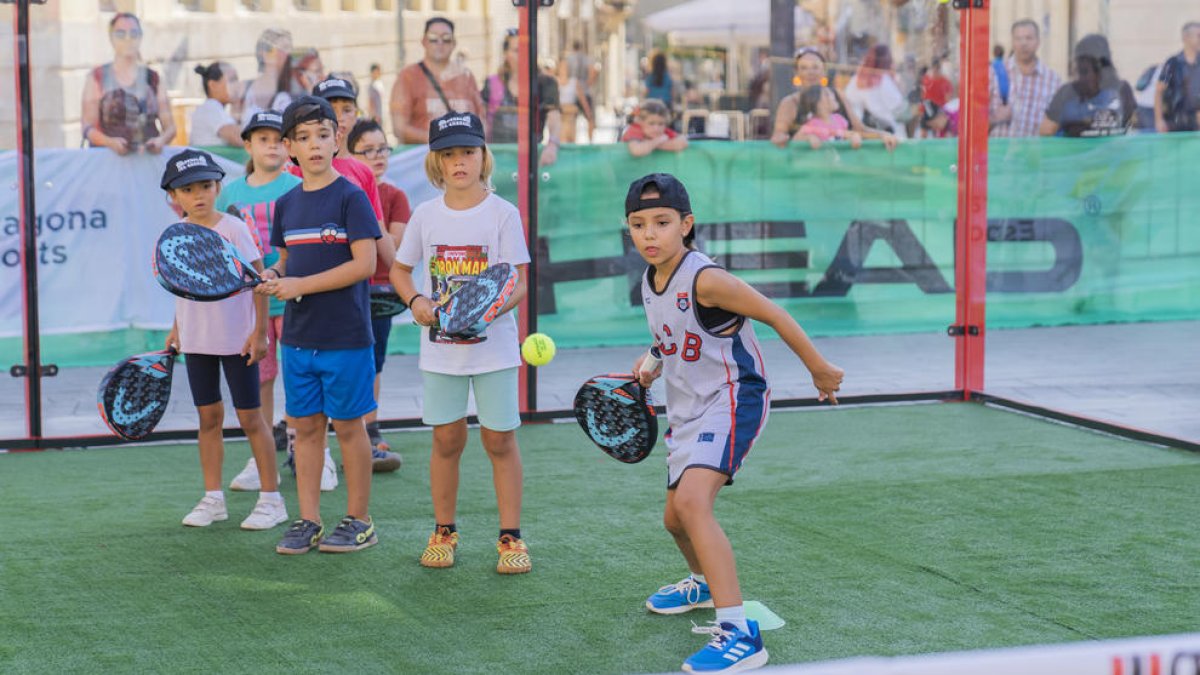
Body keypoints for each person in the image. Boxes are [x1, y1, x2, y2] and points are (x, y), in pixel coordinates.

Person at [624, 172, 843, 673]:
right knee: (674, 519)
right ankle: (701, 582)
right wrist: (654, 360)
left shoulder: (707, 278)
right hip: (687, 407)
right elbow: (670, 331)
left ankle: (740, 634)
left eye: (662, 222)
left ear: (687, 224)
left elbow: (775, 313)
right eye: (638, 224)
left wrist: (818, 368)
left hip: (733, 398)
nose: (650, 234)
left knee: (693, 502)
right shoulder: (650, 279)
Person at [389, 111, 533, 574]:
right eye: (448, 154)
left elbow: (519, 283)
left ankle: (510, 538)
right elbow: (398, 268)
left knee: (499, 441)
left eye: (468, 152)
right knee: (447, 440)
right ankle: (443, 532)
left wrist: (482, 311)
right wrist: (415, 301)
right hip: (440, 353)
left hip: (494, 352)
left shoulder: (503, 214)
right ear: (435, 162)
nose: (459, 162)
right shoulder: (426, 216)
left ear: (483, 155)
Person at [258, 96, 382, 555]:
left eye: (323, 135)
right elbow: (284, 262)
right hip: (297, 341)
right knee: (305, 430)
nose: (314, 146)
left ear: (337, 140)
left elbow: (365, 263)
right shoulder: (286, 205)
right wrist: (273, 276)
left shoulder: (351, 196)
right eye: (303, 138)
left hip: (346, 337)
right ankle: (307, 519)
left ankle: (359, 521)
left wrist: (299, 284)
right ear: (289, 147)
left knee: (350, 428)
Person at [160, 149, 286, 532]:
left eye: (205, 186)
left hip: (237, 340)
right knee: (208, 417)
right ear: (174, 197)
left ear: (217, 187)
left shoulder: (234, 228)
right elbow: (183, 286)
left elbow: (260, 281)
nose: (198, 195)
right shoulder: (176, 235)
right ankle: (213, 498)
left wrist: (259, 332)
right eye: (187, 190)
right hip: (196, 341)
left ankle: (271, 499)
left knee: (251, 418)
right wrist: (177, 327)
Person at [214, 112, 338, 494]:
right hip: (251, 304)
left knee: (307, 375)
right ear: (247, 145)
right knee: (261, 379)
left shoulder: (298, 186)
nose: (270, 146)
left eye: (276, 139)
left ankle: (319, 452)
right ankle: (261, 457)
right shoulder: (230, 193)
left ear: (288, 147)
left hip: (297, 298)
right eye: (261, 139)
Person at [305, 75, 401, 472]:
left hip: (354, 299)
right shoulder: (297, 174)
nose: (340, 118)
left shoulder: (361, 175)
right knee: (309, 376)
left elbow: (376, 233)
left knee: (357, 373)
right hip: (308, 300)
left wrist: (408, 284)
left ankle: (357, 447)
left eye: (346, 110)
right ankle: (307, 449)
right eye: (331, 110)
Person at [348, 118, 411, 468]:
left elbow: (394, 243)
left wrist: (368, 207)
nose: (377, 156)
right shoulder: (342, 191)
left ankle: (370, 429)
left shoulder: (395, 196)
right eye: (368, 150)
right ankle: (342, 432)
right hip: (345, 291)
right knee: (347, 361)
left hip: (382, 295)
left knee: (374, 362)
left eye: (382, 148)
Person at [81, 12, 175, 155]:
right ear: (111, 38)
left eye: (134, 33)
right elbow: (87, 127)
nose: (128, 39)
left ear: (140, 37)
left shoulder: (153, 78)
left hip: (147, 160)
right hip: (107, 161)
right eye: (120, 34)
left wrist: (161, 141)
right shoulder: (97, 77)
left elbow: (170, 127)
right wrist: (109, 142)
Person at [772, 47, 897, 150]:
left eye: (815, 67)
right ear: (797, 73)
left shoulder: (837, 95)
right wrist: (798, 139)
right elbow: (779, 135)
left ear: (824, 70)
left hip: (839, 167)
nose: (810, 72)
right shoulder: (790, 103)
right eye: (803, 68)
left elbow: (859, 129)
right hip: (805, 171)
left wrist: (884, 136)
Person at [389, 17, 485, 145]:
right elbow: (399, 128)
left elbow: (482, 120)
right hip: (424, 158)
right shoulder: (408, 76)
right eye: (433, 38)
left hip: (463, 156)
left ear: (454, 43)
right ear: (424, 41)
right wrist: (441, 140)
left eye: (446, 39)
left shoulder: (466, 77)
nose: (440, 43)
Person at [481, 29, 562, 165]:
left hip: (531, 161)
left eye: (528, 49)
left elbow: (554, 118)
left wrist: (552, 145)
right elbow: (481, 119)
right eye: (517, 50)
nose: (524, 55)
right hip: (497, 159)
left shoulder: (546, 83)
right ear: (506, 54)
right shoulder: (492, 83)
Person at [1040, 34, 1135, 138]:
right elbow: (1046, 132)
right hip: (1076, 153)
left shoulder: (1122, 90)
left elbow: (1132, 128)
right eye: (1084, 71)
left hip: (1112, 153)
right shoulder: (1067, 94)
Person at [989, 19, 1062, 138]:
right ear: (1012, 42)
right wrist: (995, 119)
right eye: (1018, 38)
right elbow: (972, 122)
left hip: (1034, 155)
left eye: (1029, 38)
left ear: (1038, 42)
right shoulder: (994, 74)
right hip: (998, 155)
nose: (1023, 43)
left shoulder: (1053, 81)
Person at [842, 44, 908, 138]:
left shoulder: (857, 79)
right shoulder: (884, 80)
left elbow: (848, 99)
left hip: (863, 131)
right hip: (887, 132)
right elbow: (897, 106)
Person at [241, 28, 294, 126]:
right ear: (264, 53)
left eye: (289, 49)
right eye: (282, 48)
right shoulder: (245, 89)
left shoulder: (293, 89)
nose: (288, 54)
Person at [1154, 21, 1200, 133]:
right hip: (1175, 124)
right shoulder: (1172, 64)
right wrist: (1159, 121)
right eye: (1198, 36)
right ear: (1186, 38)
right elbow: (1159, 91)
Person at [792, 85, 863, 149]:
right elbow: (795, 140)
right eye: (827, 94)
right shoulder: (812, 125)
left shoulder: (839, 119)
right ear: (818, 104)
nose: (833, 95)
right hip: (820, 162)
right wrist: (809, 137)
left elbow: (845, 133)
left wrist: (854, 136)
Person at [190, 62, 242, 147]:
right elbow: (239, 138)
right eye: (232, 80)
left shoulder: (215, 108)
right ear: (213, 85)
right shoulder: (210, 107)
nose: (237, 85)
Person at [622, 99, 688, 157]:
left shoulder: (664, 131)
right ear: (640, 122)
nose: (656, 128)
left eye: (661, 124)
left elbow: (683, 142)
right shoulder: (635, 130)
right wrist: (657, 141)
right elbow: (636, 150)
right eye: (651, 123)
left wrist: (656, 144)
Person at [566, 40, 598, 142]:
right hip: (585, 92)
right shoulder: (587, 59)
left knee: (572, 119)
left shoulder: (569, 59)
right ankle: (590, 140)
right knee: (590, 118)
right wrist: (587, 84)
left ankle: (573, 142)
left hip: (572, 93)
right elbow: (593, 72)